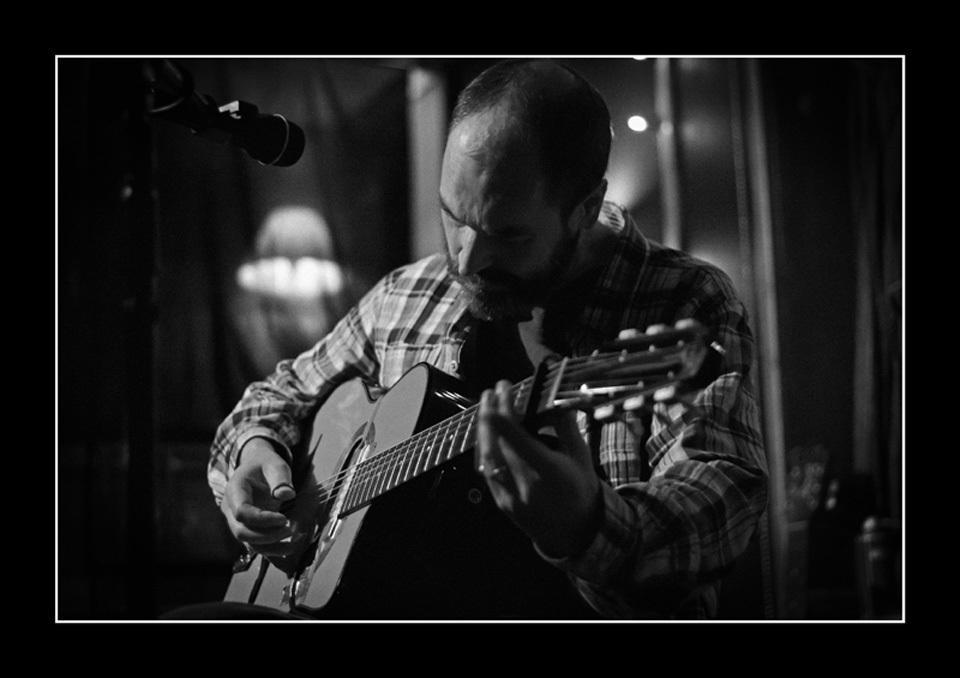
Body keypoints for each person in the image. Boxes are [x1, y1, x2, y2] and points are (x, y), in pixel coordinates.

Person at [195, 59, 768, 620]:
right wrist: (254, 455)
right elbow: (275, 397)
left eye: (508, 233)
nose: (467, 258)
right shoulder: (407, 293)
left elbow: (716, 504)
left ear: (585, 208)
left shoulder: (683, 299)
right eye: (453, 216)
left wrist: (588, 525)